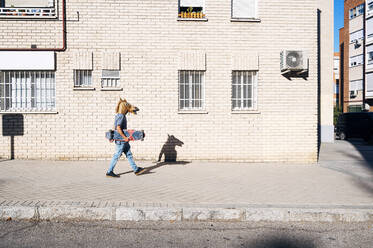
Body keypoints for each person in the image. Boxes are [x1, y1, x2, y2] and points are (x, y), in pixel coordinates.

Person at [106, 98, 146, 178]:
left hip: (123, 140)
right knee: (117, 155)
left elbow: (115, 127)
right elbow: (118, 128)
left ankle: (136, 169)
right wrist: (125, 137)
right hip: (122, 140)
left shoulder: (119, 115)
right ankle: (109, 171)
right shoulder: (121, 116)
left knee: (129, 154)